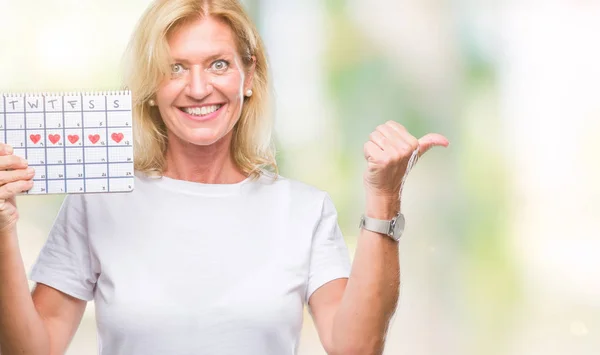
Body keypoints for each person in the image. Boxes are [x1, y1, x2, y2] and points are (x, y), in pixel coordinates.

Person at [0, 0, 449, 354]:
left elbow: (355, 348)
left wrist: (383, 198)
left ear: (248, 75)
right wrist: (2, 224)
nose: (198, 88)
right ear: (152, 87)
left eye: (218, 64)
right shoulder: (95, 204)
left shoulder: (304, 210)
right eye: (176, 67)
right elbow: (29, 351)